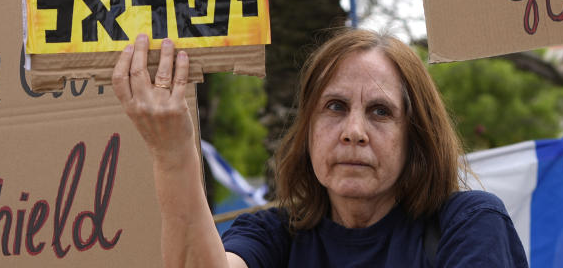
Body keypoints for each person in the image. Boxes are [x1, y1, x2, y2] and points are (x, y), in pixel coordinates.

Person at [112, 29, 528, 267]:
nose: (353, 131)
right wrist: (172, 155)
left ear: (415, 136)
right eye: (335, 107)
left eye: (380, 112)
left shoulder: (470, 223)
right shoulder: (273, 235)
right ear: (308, 127)